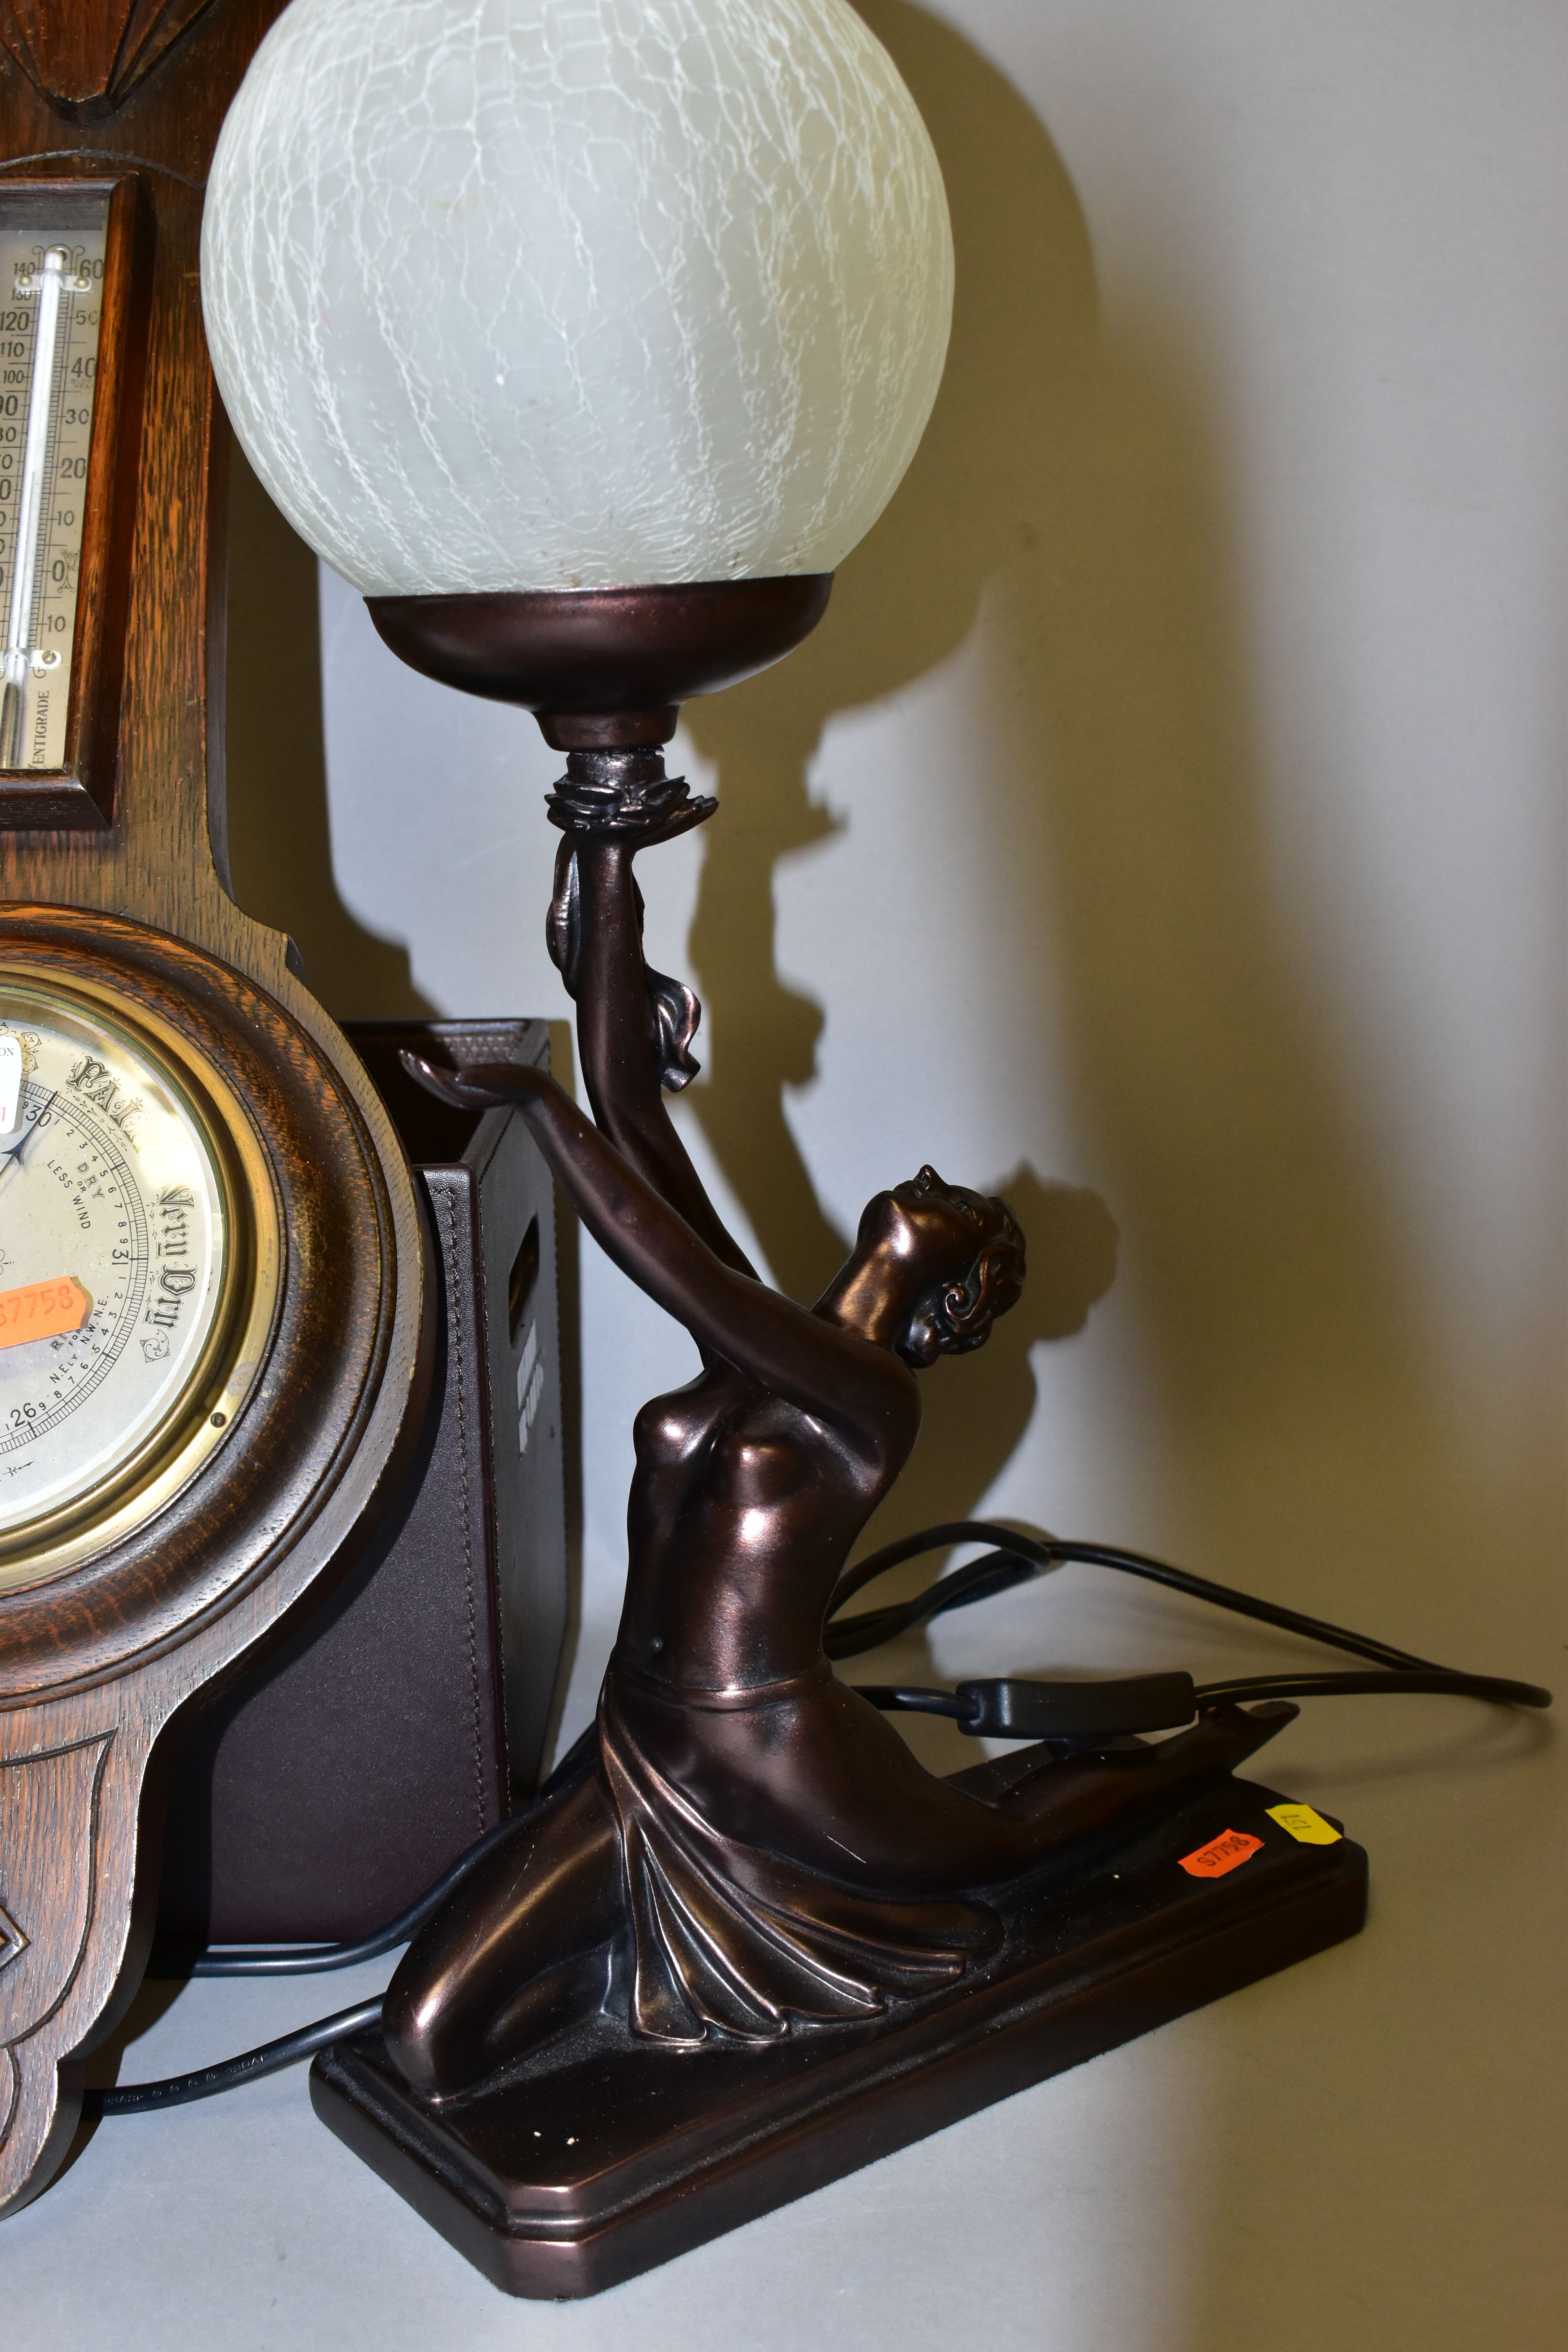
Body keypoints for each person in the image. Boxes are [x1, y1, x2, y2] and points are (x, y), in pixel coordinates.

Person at [384, 786, 1287, 2100]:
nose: (935, 1183)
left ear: (952, 1298)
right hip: (639, 1745)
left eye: (964, 1217)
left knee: (991, 1848)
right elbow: (633, 1111)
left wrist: (532, 1110)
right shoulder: (758, 1351)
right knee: (426, 2044)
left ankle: (1194, 1754)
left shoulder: (864, 1403)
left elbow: (657, 1247)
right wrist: (609, 851)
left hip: (771, 1758)